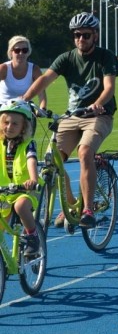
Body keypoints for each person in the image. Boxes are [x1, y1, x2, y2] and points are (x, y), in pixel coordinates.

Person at [23, 12, 118, 229]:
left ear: (95, 35)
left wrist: (98, 103)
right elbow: (44, 80)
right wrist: (23, 100)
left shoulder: (105, 57)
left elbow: (109, 88)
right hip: (72, 115)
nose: (81, 39)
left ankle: (87, 209)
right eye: (77, 35)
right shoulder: (66, 58)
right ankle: (69, 206)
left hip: (98, 115)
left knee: (85, 152)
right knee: (52, 160)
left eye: (86, 35)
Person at [0, 102, 41, 257]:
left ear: (24, 127)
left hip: (26, 190)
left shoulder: (28, 144)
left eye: (15, 123)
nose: (9, 127)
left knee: (21, 206)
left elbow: (31, 160)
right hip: (4, 191)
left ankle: (32, 236)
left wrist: (33, 179)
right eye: (6, 122)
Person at [0, 36, 47, 109]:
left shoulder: (35, 69)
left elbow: (41, 93)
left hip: (25, 109)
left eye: (25, 50)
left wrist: (43, 108)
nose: (21, 53)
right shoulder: (3, 68)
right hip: (4, 108)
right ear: (11, 52)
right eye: (17, 50)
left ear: (28, 52)